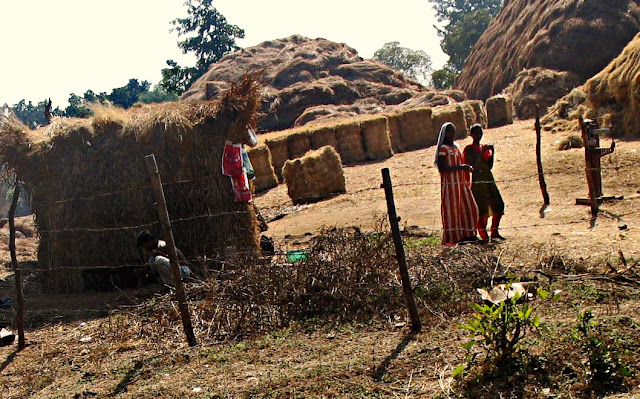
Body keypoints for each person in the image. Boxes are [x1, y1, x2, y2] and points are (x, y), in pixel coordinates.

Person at [435, 122, 480, 246]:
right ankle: (454, 238)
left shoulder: (455, 147)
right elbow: (442, 168)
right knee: (452, 210)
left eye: (453, 131)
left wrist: (463, 170)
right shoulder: (443, 149)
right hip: (450, 184)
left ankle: (469, 234)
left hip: (460, 183)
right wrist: (461, 167)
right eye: (449, 131)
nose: (451, 134)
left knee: (470, 207)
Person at [463, 124, 505, 240]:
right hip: (478, 181)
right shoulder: (469, 149)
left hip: (488, 179)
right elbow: (473, 167)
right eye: (476, 133)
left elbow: (489, 166)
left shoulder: (483, 147)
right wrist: (482, 153)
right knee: (481, 210)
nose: (478, 135)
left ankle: (494, 232)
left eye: (480, 133)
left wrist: (492, 152)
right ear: (471, 135)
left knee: (498, 205)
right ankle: (484, 236)